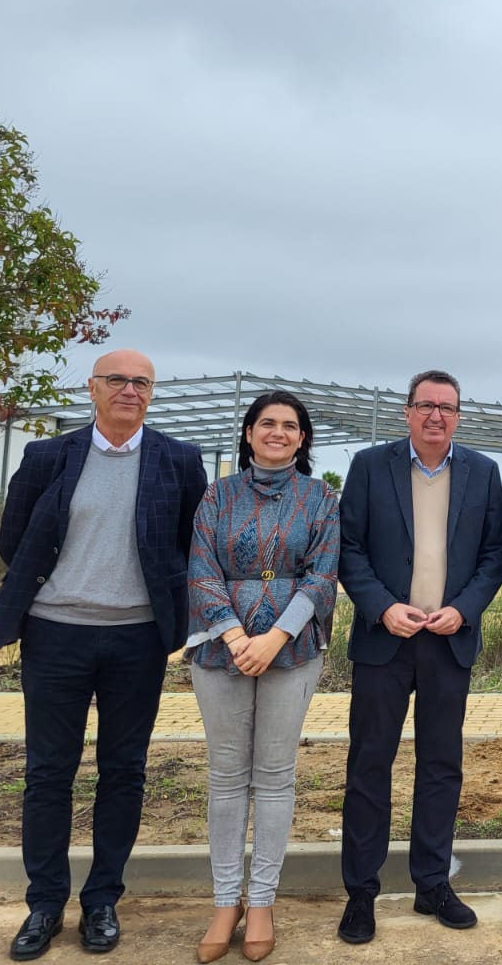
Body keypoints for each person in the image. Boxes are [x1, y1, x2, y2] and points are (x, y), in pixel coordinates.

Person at [0, 349, 208, 962]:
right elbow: (15, 538)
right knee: (49, 772)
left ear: (152, 394)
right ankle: (45, 904)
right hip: (56, 633)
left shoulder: (180, 461)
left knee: (124, 770)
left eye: (141, 382)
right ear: (92, 389)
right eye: (117, 380)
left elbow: (190, 546)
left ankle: (102, 898)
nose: (129, 390)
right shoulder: (48, 455)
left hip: (138, 639)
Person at [335, 370, 502, 945]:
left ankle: (432, 883)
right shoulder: (369, 466)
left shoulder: (483, 472)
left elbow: (493, 554)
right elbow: (349, 548)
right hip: (385, 640)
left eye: (447, 407)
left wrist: (466, 608)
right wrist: (382, 607)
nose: (436, 416)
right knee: (368, 768)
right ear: (408, 411)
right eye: (426, 405)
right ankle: (361, 893)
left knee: (441, 767)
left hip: (447, 639)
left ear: (460, 415)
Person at [185, 391, 339, 962]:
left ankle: (264, 900)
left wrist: (275, 637)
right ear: (248, 433)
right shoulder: (216, 496)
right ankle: (226, 901)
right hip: (219, 649)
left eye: (290, 426)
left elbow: (323, 576)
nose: (278, 432)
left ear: (303, 439)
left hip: (293, 651)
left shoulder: (321, 499)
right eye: (267, 423)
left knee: (275, 776)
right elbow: (201, 570)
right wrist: (234, 635)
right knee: (226, 776)